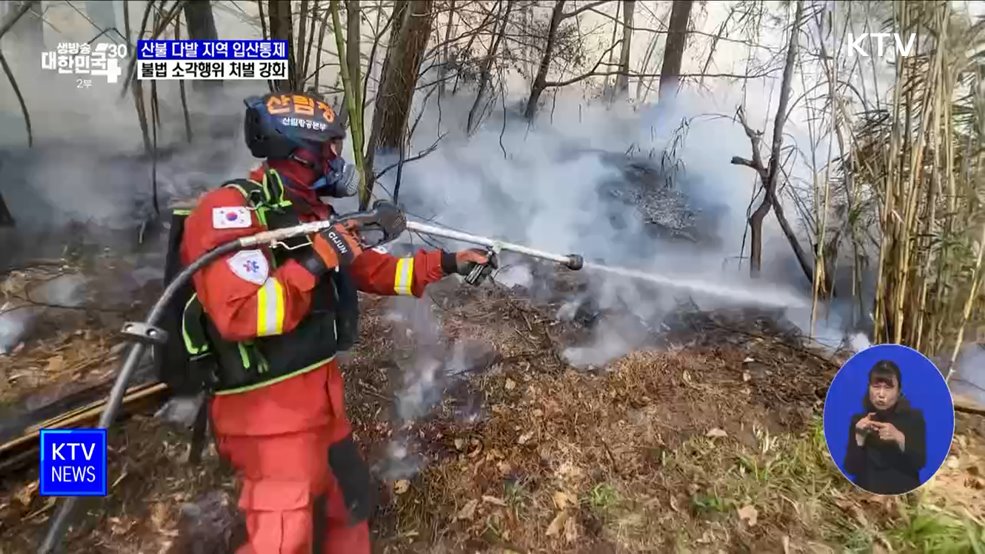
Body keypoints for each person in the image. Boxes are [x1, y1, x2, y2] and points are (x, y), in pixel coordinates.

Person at [177, 91, 496, 553]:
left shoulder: (313, 216)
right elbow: (241, 314)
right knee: (284, 539)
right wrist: (315, 261)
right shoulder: (228, 214)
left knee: (351, 504)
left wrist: (448, 262)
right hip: (267, 415)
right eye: (328, 148)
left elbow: (377, 271)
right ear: (295, 151)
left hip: (321, 403)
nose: (336, 160)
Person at [843, 359, 927, 495]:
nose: (881, 394)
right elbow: (851, 469)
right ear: (868, 387)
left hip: (902, 496)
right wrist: (859, 439)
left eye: (888, 388)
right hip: (867, 495)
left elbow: (920, 463)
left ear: (899, 390)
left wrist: (900, 439)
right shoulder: (859, 421)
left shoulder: (914, 418)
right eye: (876, 386)